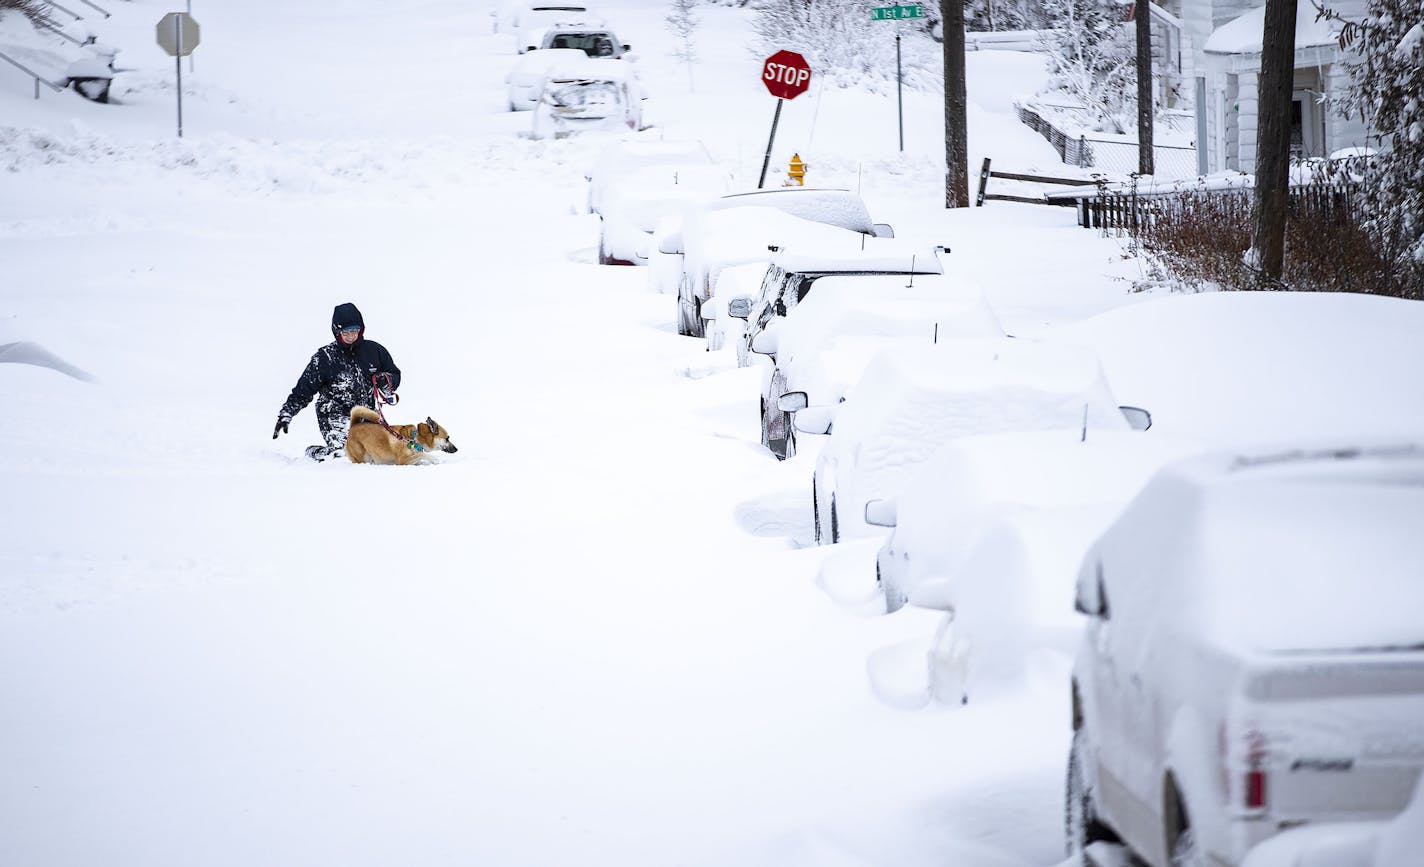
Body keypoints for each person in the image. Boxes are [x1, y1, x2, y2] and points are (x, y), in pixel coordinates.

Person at [273, 302, 401, 461]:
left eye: (354, 331)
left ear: (361, 329)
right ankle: (316, 453)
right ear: (337, 332)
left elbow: (395, 374)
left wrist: (386, 380)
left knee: (375, 455)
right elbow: (304, 389)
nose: (350, 336)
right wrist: (287, 413)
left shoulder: (374, 351)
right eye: (345, 333)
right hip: (334, 413)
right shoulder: (325, 358)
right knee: (348, 455)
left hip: (366, 414)